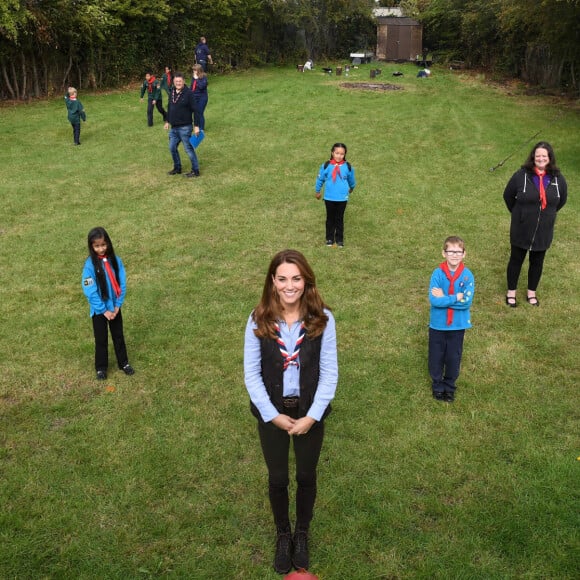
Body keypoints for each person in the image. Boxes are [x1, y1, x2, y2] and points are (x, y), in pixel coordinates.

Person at [244, 249, 338, 574]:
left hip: (310, 410)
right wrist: (272, 415)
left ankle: (302, 532)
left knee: (306, 476)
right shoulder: (258, 320)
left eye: (296, 278)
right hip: (272, 412)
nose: (289, 286)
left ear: (306, 281)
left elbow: (329, 373)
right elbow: (251, 374)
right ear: (273, 281)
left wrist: (311, 416)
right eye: (282, 278)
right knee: (278, 477)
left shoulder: (322, 319)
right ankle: (283, 533)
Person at [503, 141, 568, 307]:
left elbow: (561, 201)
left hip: (544, 230)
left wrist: (547, 215)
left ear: (550, 158)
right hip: (521, 228)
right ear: (533, 157)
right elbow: (508, 196)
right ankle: (511, 292)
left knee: (537, 261)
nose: (541, 158)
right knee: (516, 259)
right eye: (538, 155)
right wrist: (520, 215)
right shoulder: (521, 175)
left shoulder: (558, 179)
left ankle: (532, 292)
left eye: (544, 156)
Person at [82, 227, 135, 381]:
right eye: (97, 246)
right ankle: (101, 368)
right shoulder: (89, 266)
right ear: (92, 246)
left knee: (118, 335)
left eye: (103, 245)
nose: (101, 248)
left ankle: (123, 363)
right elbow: (89, 290)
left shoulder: (116, 261)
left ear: (108, 243)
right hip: (100, 311)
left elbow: (122, 283)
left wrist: (117, 305)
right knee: (101, 339)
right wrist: (103, 310)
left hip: (115, 308)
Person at [428, 236, 475, 403]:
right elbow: (434, 300)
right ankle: (437, 385)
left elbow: (466, 302)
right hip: (438, 325)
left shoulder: (467, 276)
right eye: (450, 251)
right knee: (436, 356)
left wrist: (446, 298)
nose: (454, 255)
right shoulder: (437, 273)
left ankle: (449, 386)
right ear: (444, 253)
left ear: (464, 254)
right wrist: (456, 297)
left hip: (457, 325)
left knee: (453, 357)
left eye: (458, 252)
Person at [315, 143, 356, 248]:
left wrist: (351, 187)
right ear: (332, 153)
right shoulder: (326, 165)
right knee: (330, 218)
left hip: (342, 198)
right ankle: (329, 238)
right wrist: (318, 191)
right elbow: (320, 179)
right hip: (329, 197)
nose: (339, 156)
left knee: (339, 219)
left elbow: (351, 179)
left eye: (342, 154)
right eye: (337, 153)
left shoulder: (348, 166)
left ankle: (339, 240)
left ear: (345, 154)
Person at [164, 73, 201, 178]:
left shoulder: (189, 93)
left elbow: (196, 110)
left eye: (180, 81)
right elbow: (170, 107)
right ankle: (177, 168)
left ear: (183, 81)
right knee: (172, 147)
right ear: (174, 82)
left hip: (185, 127)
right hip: (174, 128)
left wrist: (196, 125)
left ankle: (195, 171)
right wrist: (167, 121)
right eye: (176, 81)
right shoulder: (172, 92)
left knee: (188, 149)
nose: (178, 83)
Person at [190, 64, 208, 131]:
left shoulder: (204, 78)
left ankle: (201, 128)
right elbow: (192, 86)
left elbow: (201, 87)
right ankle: (196, 126)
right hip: (194, 97)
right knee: (195, 112)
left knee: (200, 112)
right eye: (193, 70)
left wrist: (197, 79)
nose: (193, 71)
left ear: (199, 70)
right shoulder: (194, 77)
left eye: (195, 70)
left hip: (202, 97)